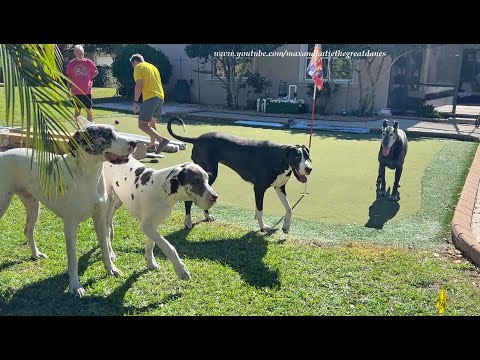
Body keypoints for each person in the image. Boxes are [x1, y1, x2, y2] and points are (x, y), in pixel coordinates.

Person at [130, 53, 178, 153]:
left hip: (150, 97)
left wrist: (135, 102)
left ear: (135, 61)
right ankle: (152, 146)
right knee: (152, 123)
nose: (133, 66)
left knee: (142, 125)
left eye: (132, 64)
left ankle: (162, 140)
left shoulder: (138, 67)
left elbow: (138, 85)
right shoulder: (153, 67)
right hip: (160, 97)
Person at [66, 45, 98, 122]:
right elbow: (69, 78)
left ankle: (90, 129)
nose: (80, 55)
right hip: (76, 92)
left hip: (87, 91)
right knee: (77, 111)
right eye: (78, 53)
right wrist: (68, 91)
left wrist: (90, 78)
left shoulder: (88, 62)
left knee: (89, 111)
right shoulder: (71, 64)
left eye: (82, 53)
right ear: (75, 53)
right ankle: (79, 130)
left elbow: (96, 71)